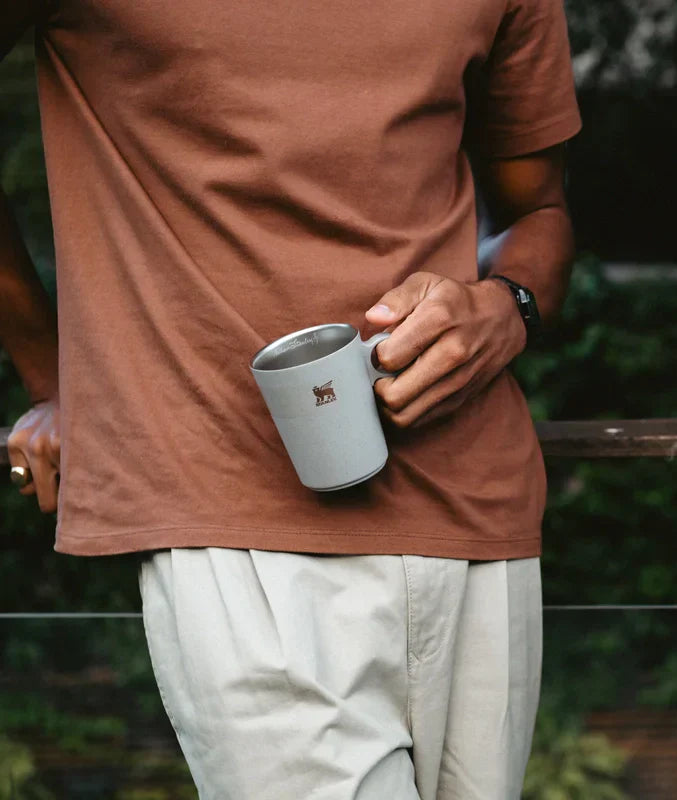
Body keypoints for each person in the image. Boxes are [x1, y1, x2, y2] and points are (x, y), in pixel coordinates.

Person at [1, 0, 580, 797]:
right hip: (229, 508)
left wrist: (504, 308)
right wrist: (60, 379)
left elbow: (538, 211)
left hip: (479, 510)